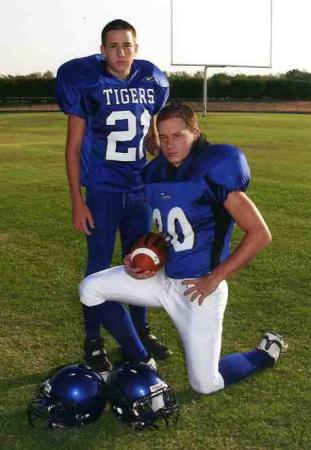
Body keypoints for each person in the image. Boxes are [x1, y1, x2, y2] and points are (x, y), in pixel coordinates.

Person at [79, 103, 287, 393]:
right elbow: (171, 230)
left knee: (205, 384)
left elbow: (260, 234)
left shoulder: (214, 167)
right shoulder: (156, 172)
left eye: (177, 135)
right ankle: (141, 358)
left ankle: (265, 353)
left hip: (199, 290)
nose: (169, 144)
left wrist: (214, 279)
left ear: (195, 132)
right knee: (91, 287)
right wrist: (138, 257)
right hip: (163, 280)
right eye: (163, 137)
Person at [56, 19, 172, 374]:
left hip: (139, 191)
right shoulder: (87, 81)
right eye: (113, 46)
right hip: (103, 192)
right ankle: (93, 340)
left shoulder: (150, 81)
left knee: (143, 262)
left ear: (136, 47)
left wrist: (170, 149)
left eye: (127, 45)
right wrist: (78, 200)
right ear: (102, 49)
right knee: (98, 267)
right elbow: (73, 148)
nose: (120, 53)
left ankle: (140, 330)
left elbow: (150, 140)